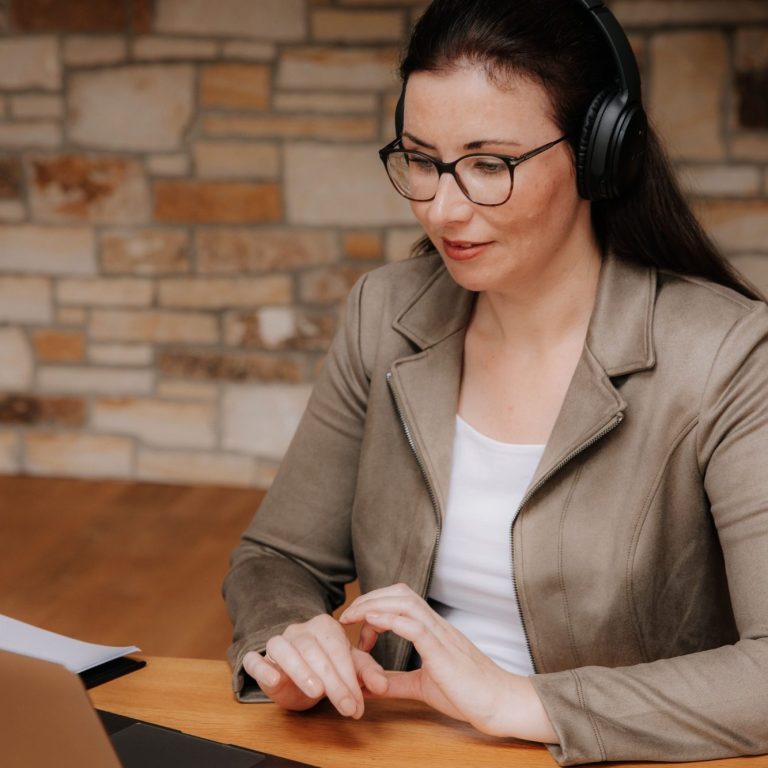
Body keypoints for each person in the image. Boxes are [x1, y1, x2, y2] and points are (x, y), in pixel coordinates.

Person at [223, 0, 768, 763]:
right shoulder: (384, 315)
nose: (443, 208)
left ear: (598, 154)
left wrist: (521, 700)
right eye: (421, 159)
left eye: (489, 165)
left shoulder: (730, 357)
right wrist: (290, 639)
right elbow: (277, 558)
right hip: (402, 750)